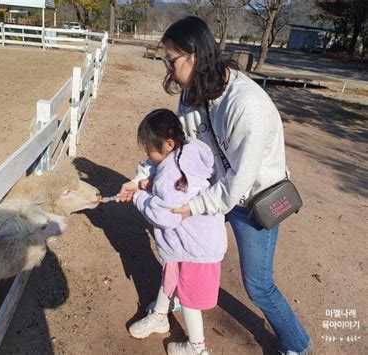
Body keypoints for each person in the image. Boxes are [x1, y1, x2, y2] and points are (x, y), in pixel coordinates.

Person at [118, 17, 310, 355]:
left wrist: (194, 207)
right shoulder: (192, 96)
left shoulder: (245, 105)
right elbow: (173, 149)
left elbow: (240, 181)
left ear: (193, 55)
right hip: (213, 192)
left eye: (171, 60)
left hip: (252, 201)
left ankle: (296, 345)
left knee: (258, 286)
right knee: (176, 250)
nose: (168, 69)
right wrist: (140, 178)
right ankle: (162, 314)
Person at [128, 109, 227, 355]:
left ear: (168, 144)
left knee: (189, 298)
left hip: (195, 247)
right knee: (170, 276)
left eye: (150, 149)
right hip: (186, 242)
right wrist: (149, 185)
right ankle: (160, 315)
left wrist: (139, 196)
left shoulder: (171, 172)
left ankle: (197, 348)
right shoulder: (189, 152)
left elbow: (165, 215)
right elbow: (179, 192)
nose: (148, 155)